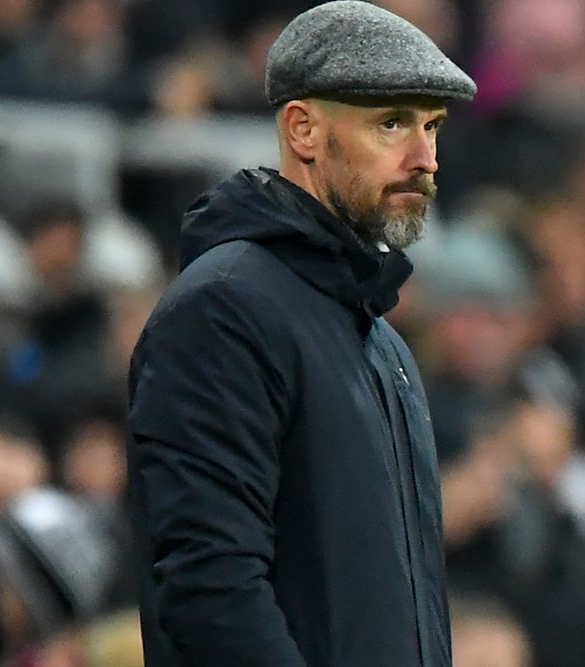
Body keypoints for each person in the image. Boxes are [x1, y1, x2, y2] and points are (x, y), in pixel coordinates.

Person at [125, 2, 476, 665]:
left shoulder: (384, 344)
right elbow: (212, 586)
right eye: (393, 124)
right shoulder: (226, 308)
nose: (424, 158)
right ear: (303, 129)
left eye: (432, 127)